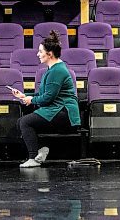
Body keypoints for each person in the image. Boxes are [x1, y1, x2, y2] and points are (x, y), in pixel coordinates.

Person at [12, 30, 81, 168]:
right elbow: (45, 94)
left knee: (25, 122)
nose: (38, 54)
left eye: (40, 51)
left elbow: (48, 98)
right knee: (20, 122)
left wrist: (31, 100)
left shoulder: (57, 70)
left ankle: (33, 157)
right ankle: (41, 149)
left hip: (64, 112)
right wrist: (25, 96)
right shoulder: (52, 69)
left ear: (49, 54)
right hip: (55, 109)